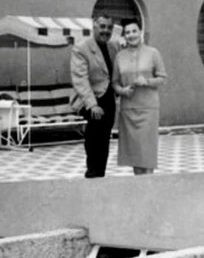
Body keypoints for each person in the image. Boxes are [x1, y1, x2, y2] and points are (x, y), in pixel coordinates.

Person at [112, 18, 167, 175]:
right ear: (124, 35)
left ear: (140, 32)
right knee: (134, 151)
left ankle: (148, 183)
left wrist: (147, 81)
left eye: (134, 31)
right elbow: (114, 82)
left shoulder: (153, 53)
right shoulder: (119, 57)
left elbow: (163, 78)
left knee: (147, 151)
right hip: (128, 110)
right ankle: (139, 183)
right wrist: (123, 91)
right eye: (127, 32)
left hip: (148, 108)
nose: (131, 35)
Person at [70, 13, 120, 178]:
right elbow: (80, 79)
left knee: (104, 138)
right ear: (94, 27)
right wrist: (92, 105)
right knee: (94, 136)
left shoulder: (114, 47)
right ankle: (91, 172)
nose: (106, 30)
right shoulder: (81, 48)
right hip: (92, 99)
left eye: (109, 27)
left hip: (109, 99)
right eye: (102, 26)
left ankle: (100, 174)